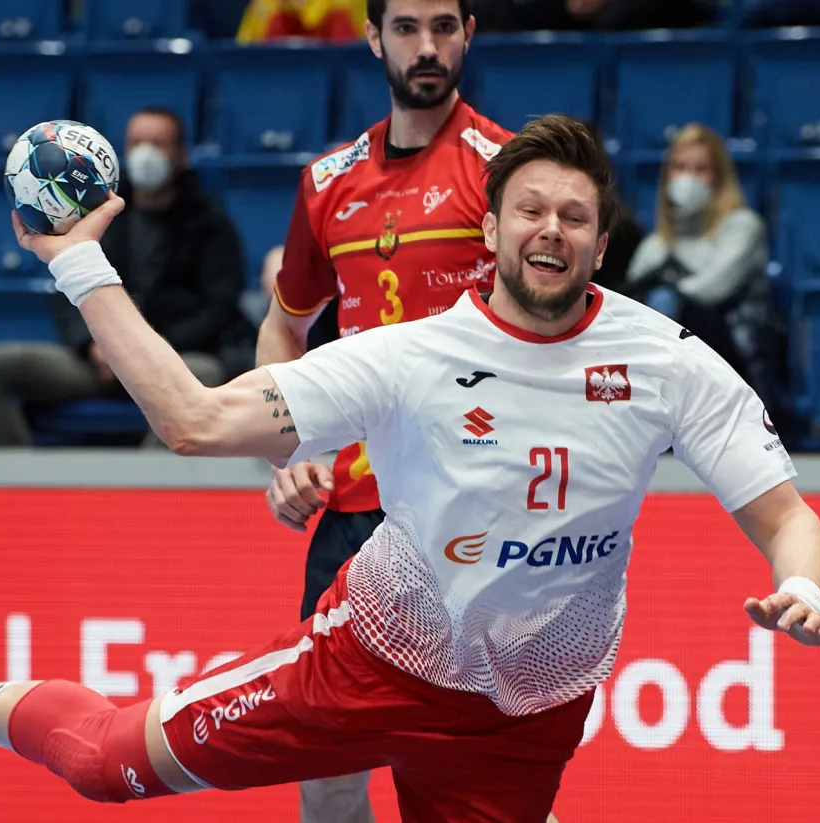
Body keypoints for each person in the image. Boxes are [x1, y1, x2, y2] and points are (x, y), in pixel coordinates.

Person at [0, 115, 820, 823]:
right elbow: (197, 421)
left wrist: (801, 583)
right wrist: (78, 264)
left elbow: (787, 516)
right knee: (107, 764)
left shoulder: (663, 361)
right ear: (491, 228)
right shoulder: (410, 356)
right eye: (529, 211)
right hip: (372, 663)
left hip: (529, 712)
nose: (549, 232)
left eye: (573, 216)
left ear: (601, 243)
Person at [256, 0, 512, 814]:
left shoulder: (506, 169)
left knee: (474, 781)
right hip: (355, 516)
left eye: (443, 25)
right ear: (372, 38)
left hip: (474, 516)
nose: (426, 46)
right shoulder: (327, 182)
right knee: (325, 775)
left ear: (469, 31)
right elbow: (282, 328)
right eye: (405, 27)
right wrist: (291, 448)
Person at [0, 106, 243, 446]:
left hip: (169, 362)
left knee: (206, 373)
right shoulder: (86, 211)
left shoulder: (210, 223)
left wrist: (143, 349)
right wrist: (94, 345)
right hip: (95, 362)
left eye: (159, 143)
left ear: (181, 155)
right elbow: (65, 295)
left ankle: (153, 489)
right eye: (138, 142)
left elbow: (219, 308)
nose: (147, 153)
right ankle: (22, 486)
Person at [624, 123, 783, 424]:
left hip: (733, 362)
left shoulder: (742, 227)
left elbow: (710, 290)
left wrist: (663, 283)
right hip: (674, 365)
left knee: (663, 300)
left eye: (700, 169)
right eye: (680, 168)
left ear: (719, 178)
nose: (688, 179)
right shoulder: (656, 245)